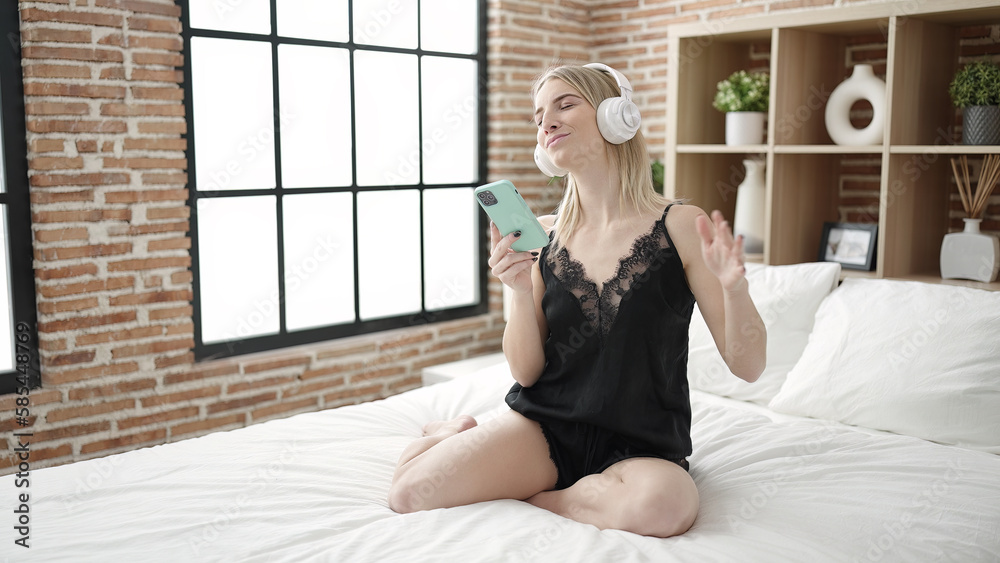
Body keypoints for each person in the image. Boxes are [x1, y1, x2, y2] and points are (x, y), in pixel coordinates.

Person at [388, 63, 766, 538]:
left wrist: (735, 289)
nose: (547, 121)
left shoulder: (681, 225)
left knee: (663, 509)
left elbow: (748, 366)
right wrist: (520, 292)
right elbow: (526, 372)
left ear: (616, 117)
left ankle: (545, 498)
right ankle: (449, 434)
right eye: (539, 115)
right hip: (545, 429)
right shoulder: (542, 234)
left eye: (566, 104)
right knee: (408, 493)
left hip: (643, 445)